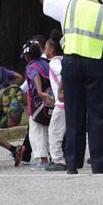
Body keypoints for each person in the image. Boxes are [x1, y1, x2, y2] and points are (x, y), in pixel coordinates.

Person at [27, 0, 103, 174]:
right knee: (96, 115)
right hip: (95, 63)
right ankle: (98, 163)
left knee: (74, 114)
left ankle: (72, 164)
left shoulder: (68, 5)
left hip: (70, 63)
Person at [21, 40, 51, 170]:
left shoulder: (31, 67)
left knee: (36, 132)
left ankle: (43, 160)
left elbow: (36, 76)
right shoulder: (46, 63)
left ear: (27, 56)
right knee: (50, 131)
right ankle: (53, 157)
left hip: (37, 104)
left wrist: (39, 92)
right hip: (50, 101)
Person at [44, 30, 67, 171]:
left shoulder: (54, 62)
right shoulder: (64, 59)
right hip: (70, 102)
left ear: (51, 50)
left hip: (62, 103)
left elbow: (64, 73)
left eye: (46, 48)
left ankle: (58, 160)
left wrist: (59, 90)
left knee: (54, 132)